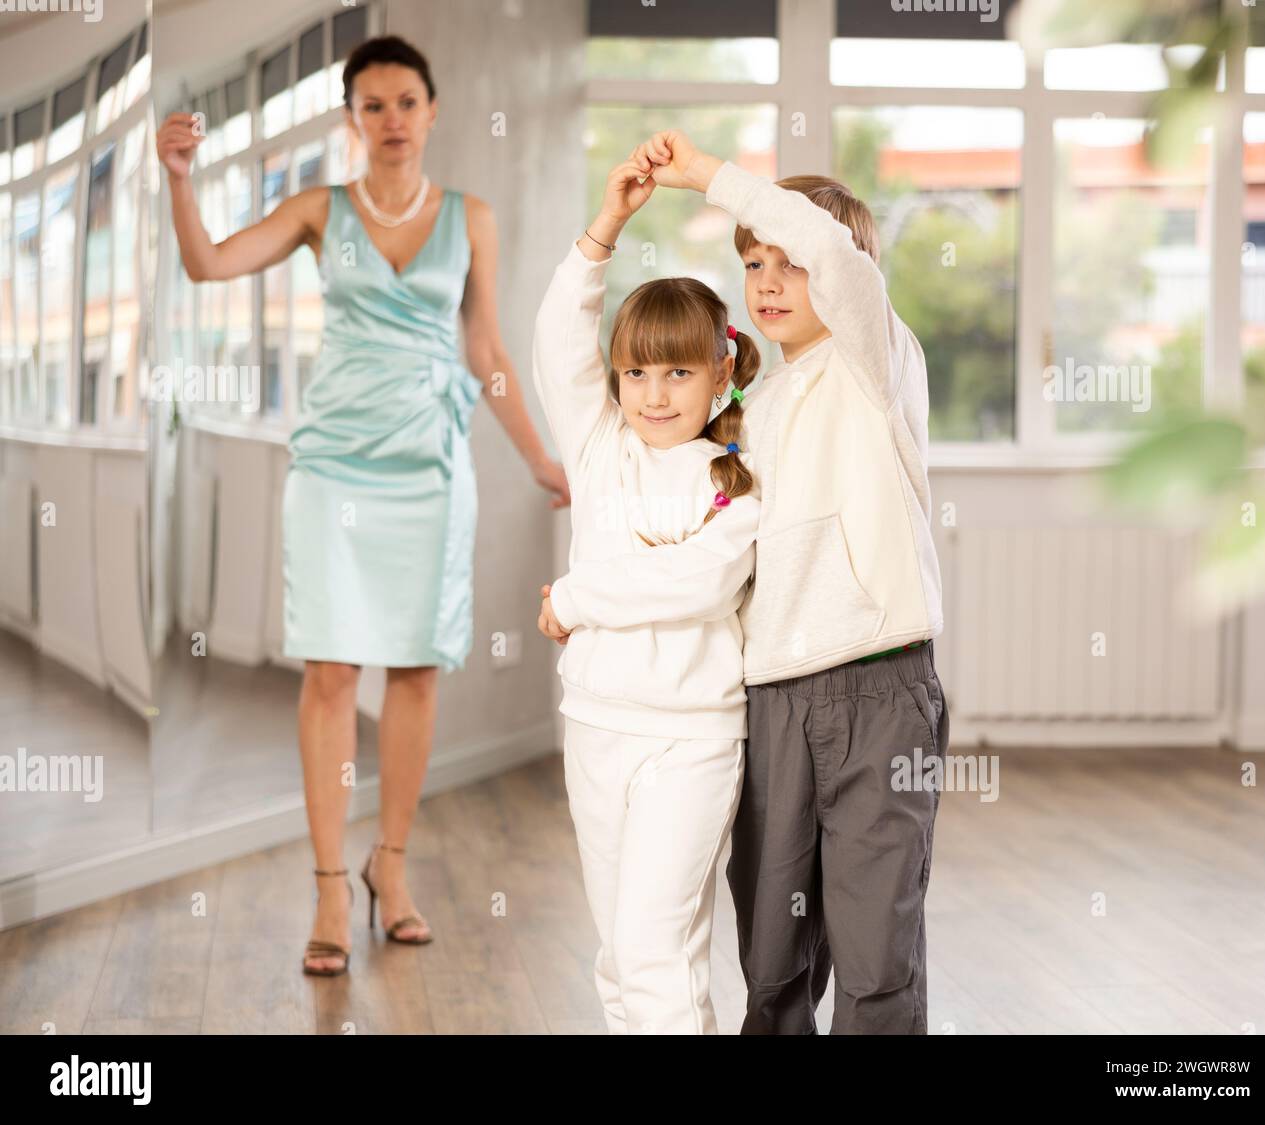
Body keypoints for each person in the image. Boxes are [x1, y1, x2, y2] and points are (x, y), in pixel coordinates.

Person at [156, 35, 568, 977]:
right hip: (336, 466)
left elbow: (486, 355)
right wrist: (181, 179)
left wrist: (543, 458)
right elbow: (210, 267)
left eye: (405, 103)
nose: (390, 121)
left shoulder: (474, 217)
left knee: (417, 669)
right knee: (333, 671)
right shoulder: (318, 210)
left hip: (429, 466)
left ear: (432, 111)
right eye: (372, 105)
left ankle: (393, 866)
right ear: (352, 117)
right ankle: (333, 883)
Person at [569, 130, 949, 1034]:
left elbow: (832, 253)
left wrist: (707, 178)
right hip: (771, 702)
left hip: (877, 690)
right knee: (770, 961)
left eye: (792, 263)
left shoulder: (876, 365)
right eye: (753, 263)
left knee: (873, 952)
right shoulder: (743, 413)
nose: (771, 281)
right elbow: (705, 553)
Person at [532, 151, 761, 1033]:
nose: (654, 394)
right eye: (636, 373)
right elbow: (559, 336)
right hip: (596, 724)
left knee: (657, 947)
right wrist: (606, 226)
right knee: (621, 956)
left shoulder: (738, 479)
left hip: (692, 740)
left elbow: (698, 584)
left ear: (720, 374)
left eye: (678, 373)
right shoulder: (599, 451)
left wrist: (578, 597)